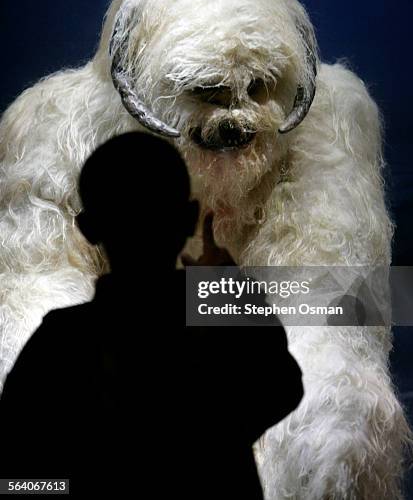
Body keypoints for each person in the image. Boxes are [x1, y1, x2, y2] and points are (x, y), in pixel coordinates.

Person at [0, 131, 303, 497]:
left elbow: (15, 481)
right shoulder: (219, 333)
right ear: (190, 218)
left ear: (88, 228)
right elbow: (281, 386)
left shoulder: (61, 342)